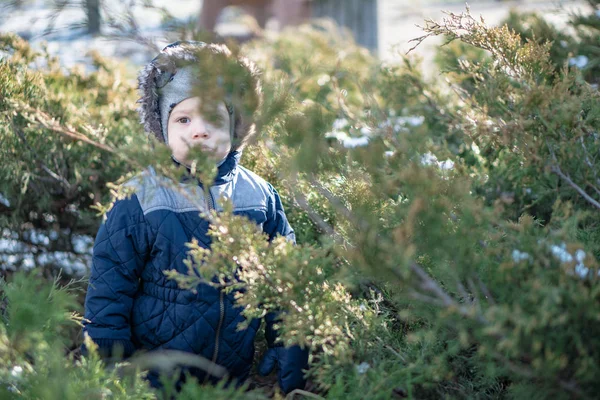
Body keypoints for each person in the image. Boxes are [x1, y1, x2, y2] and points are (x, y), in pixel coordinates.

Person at [80, 40, 308, 395]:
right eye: (183, 119)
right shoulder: (140, 198)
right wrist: (107, 357)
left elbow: (284, 276)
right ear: (163, 130)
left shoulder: (259, 196)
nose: (198, 130)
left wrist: (289, 341)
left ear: (235, 128)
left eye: (213, 118)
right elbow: (111, 285)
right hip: (157, 376)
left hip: (233, 376)